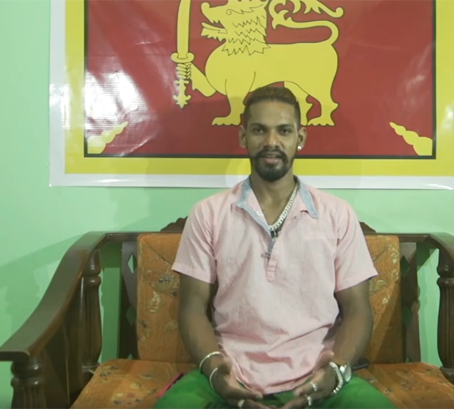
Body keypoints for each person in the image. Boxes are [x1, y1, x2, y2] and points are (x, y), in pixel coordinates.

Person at [154, 85, 396, 409]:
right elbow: (192, 308)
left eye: (283, 130)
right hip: (232, 371)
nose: (271, 142)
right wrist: (214, 370)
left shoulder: (337, 214)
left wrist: (336, 371)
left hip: (317, 374)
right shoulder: (209, 213)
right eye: (259, 130)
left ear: (300, 137)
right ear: (243, 137)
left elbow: (357, 310)